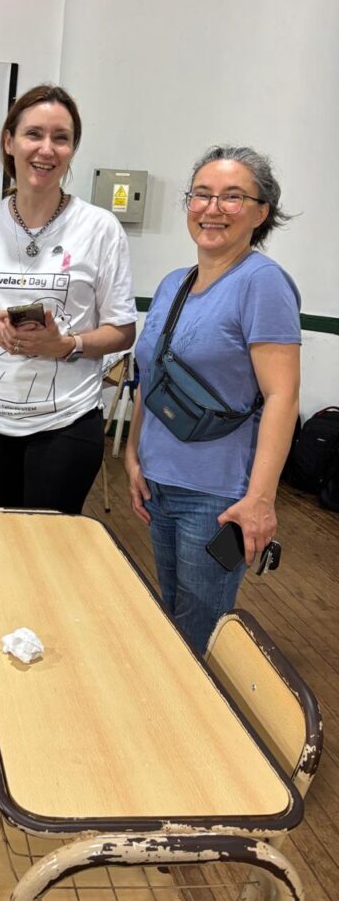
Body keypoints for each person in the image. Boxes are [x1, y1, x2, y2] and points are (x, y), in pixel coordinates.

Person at [0, 84, 137, 691]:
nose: (46, 148)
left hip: (65, 418)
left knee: (52, 546)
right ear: (9, 142)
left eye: (61, 138)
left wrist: (66, 345)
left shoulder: (99, 228)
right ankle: (0, 655)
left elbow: (123, 328)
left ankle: (49, 662)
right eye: (33, 134)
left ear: (72, 150)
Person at [124, 146, 301, 653]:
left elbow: (282, 395)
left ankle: (196, 705)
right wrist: (133, 455)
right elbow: (150, 376)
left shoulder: (262, 283)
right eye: (201, 194)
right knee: (174, 612)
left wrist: (261, 499)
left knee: (198, 628)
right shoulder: (173, 284)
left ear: (261, 213)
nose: (212, 208)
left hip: (218, 496)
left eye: (232, 197)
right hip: (159, 484)